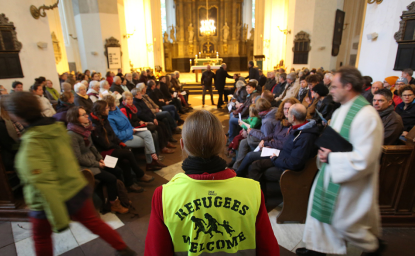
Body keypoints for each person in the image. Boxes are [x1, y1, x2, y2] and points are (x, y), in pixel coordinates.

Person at [5, 92, 137, 256]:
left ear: (17, 116)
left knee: (41, 238)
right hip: (75, 186)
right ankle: (123, 248)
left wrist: (59, 221)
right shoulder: (56, 129)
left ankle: (123, 245)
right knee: (94, 223)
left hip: (49, 200)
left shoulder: (32, 145)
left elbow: (45, 185)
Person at [144, 110, 280, 255]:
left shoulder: (164, 195)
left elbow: (155, 251)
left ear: (182, 144)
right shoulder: (252, 190)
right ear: (223, 141)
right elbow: (269, 250)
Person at [299, 66, 384, 256]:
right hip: (332, 172)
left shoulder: (367, 116)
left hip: (350, 180)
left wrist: (330, 156)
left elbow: (365, 158)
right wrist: (324, 152)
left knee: (344, 221)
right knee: (322, 215)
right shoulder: (341, 110)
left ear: (348, 86)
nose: (331, 90)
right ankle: (317, 249)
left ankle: (374, 247)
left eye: (335, 87)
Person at [66, 106, 131, 211]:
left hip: (94, 160)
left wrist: (100, 158)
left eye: (86, 113)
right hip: (84, 166)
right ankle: (112, 203)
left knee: (118, 170)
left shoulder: (85, 128)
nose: (87, 116)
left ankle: (121, 196)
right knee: (111, 178)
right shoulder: (72, 135)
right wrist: (97, 164)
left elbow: (92, 146)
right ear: (75, 118)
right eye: (83, 115)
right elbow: (77, 158)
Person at [247, 103, 319, 184]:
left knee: (258, 171)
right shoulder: (297, 128)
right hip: (282, 156)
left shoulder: (305, 136)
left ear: (293, 117)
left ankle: (261, 195)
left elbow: (294, 163)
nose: (286, 113)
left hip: (289, 169)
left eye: (288, 112)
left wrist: (275, 159)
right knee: (255, 165)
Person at [235, 98, 297, 175]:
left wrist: (268, 143)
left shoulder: (293, 125)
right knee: (244, 144)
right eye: (285, 108)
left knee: (250, 155)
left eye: (289, 108)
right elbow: (273, 134)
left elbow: (285, 143)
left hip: (280, 152)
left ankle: (237, 174)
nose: (287, 111)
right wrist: (264, 141)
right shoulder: (283, 121)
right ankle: (237, 169)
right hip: (273, 146)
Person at [103, 95, 164, 171]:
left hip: (131, 131)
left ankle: (152, 162)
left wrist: (133, 129)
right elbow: (117, 135)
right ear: (111, 105)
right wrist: (131, 131)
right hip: (125, 138)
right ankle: (151, 162)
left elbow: (127, 121)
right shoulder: (110, 118)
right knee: (148, 141)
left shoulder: (117, 110)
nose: (116, 104)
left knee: (148, 133)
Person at [0, 95, 24, 172]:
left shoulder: (14, 117)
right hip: (11, 155)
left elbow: (22, 130)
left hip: (18, 146)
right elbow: (9, 144)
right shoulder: (3, 122)